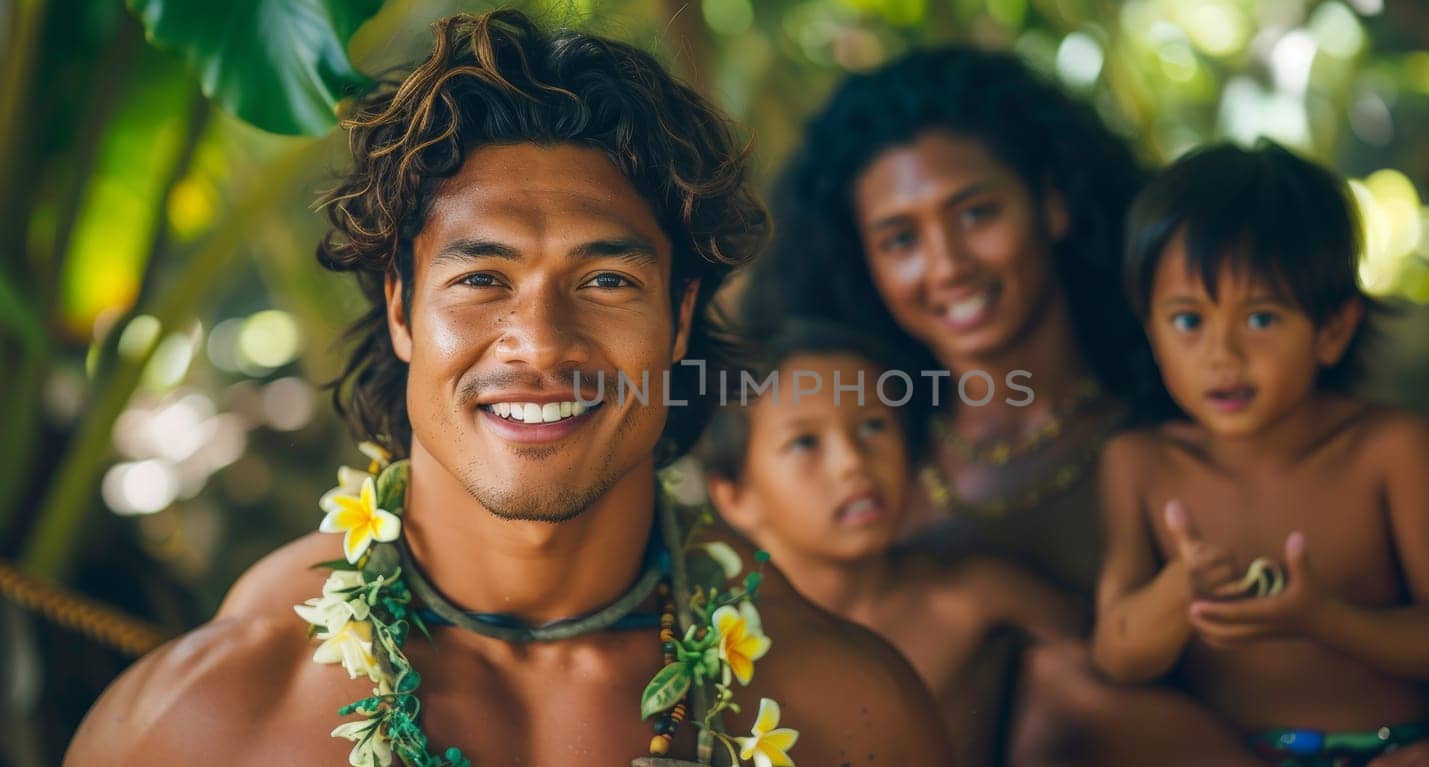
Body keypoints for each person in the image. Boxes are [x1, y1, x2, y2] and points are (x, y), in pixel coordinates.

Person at [64, 11, 948, 766]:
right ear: (402, 309)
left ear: (678, 322)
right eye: (482, 279)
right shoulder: (208, 722)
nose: (541, 343)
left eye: (606, 281)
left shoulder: (842, 711)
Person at [742, 46, 1429, 766]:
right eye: (900, 239)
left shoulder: (1222, 413)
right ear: (865, 264)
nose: (947, 262)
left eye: (977, 212)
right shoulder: (859, 482)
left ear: (1055, 204)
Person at [1094, 141, 1429, 765]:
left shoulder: (1390, 452)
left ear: (1334, 330)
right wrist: (1182, 589)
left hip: (1385, 753)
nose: (1222, 355)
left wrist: (1327, 620)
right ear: (1151, 331)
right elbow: (1117, 656)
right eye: (1187, 321)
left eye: (1260, 319)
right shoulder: (1140, 465)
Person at [698, 319, 1085, 765]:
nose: (851, 463)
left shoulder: (973, 598)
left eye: (872, 426)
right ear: (734, 496)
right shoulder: (714, 642)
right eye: (805, 442)